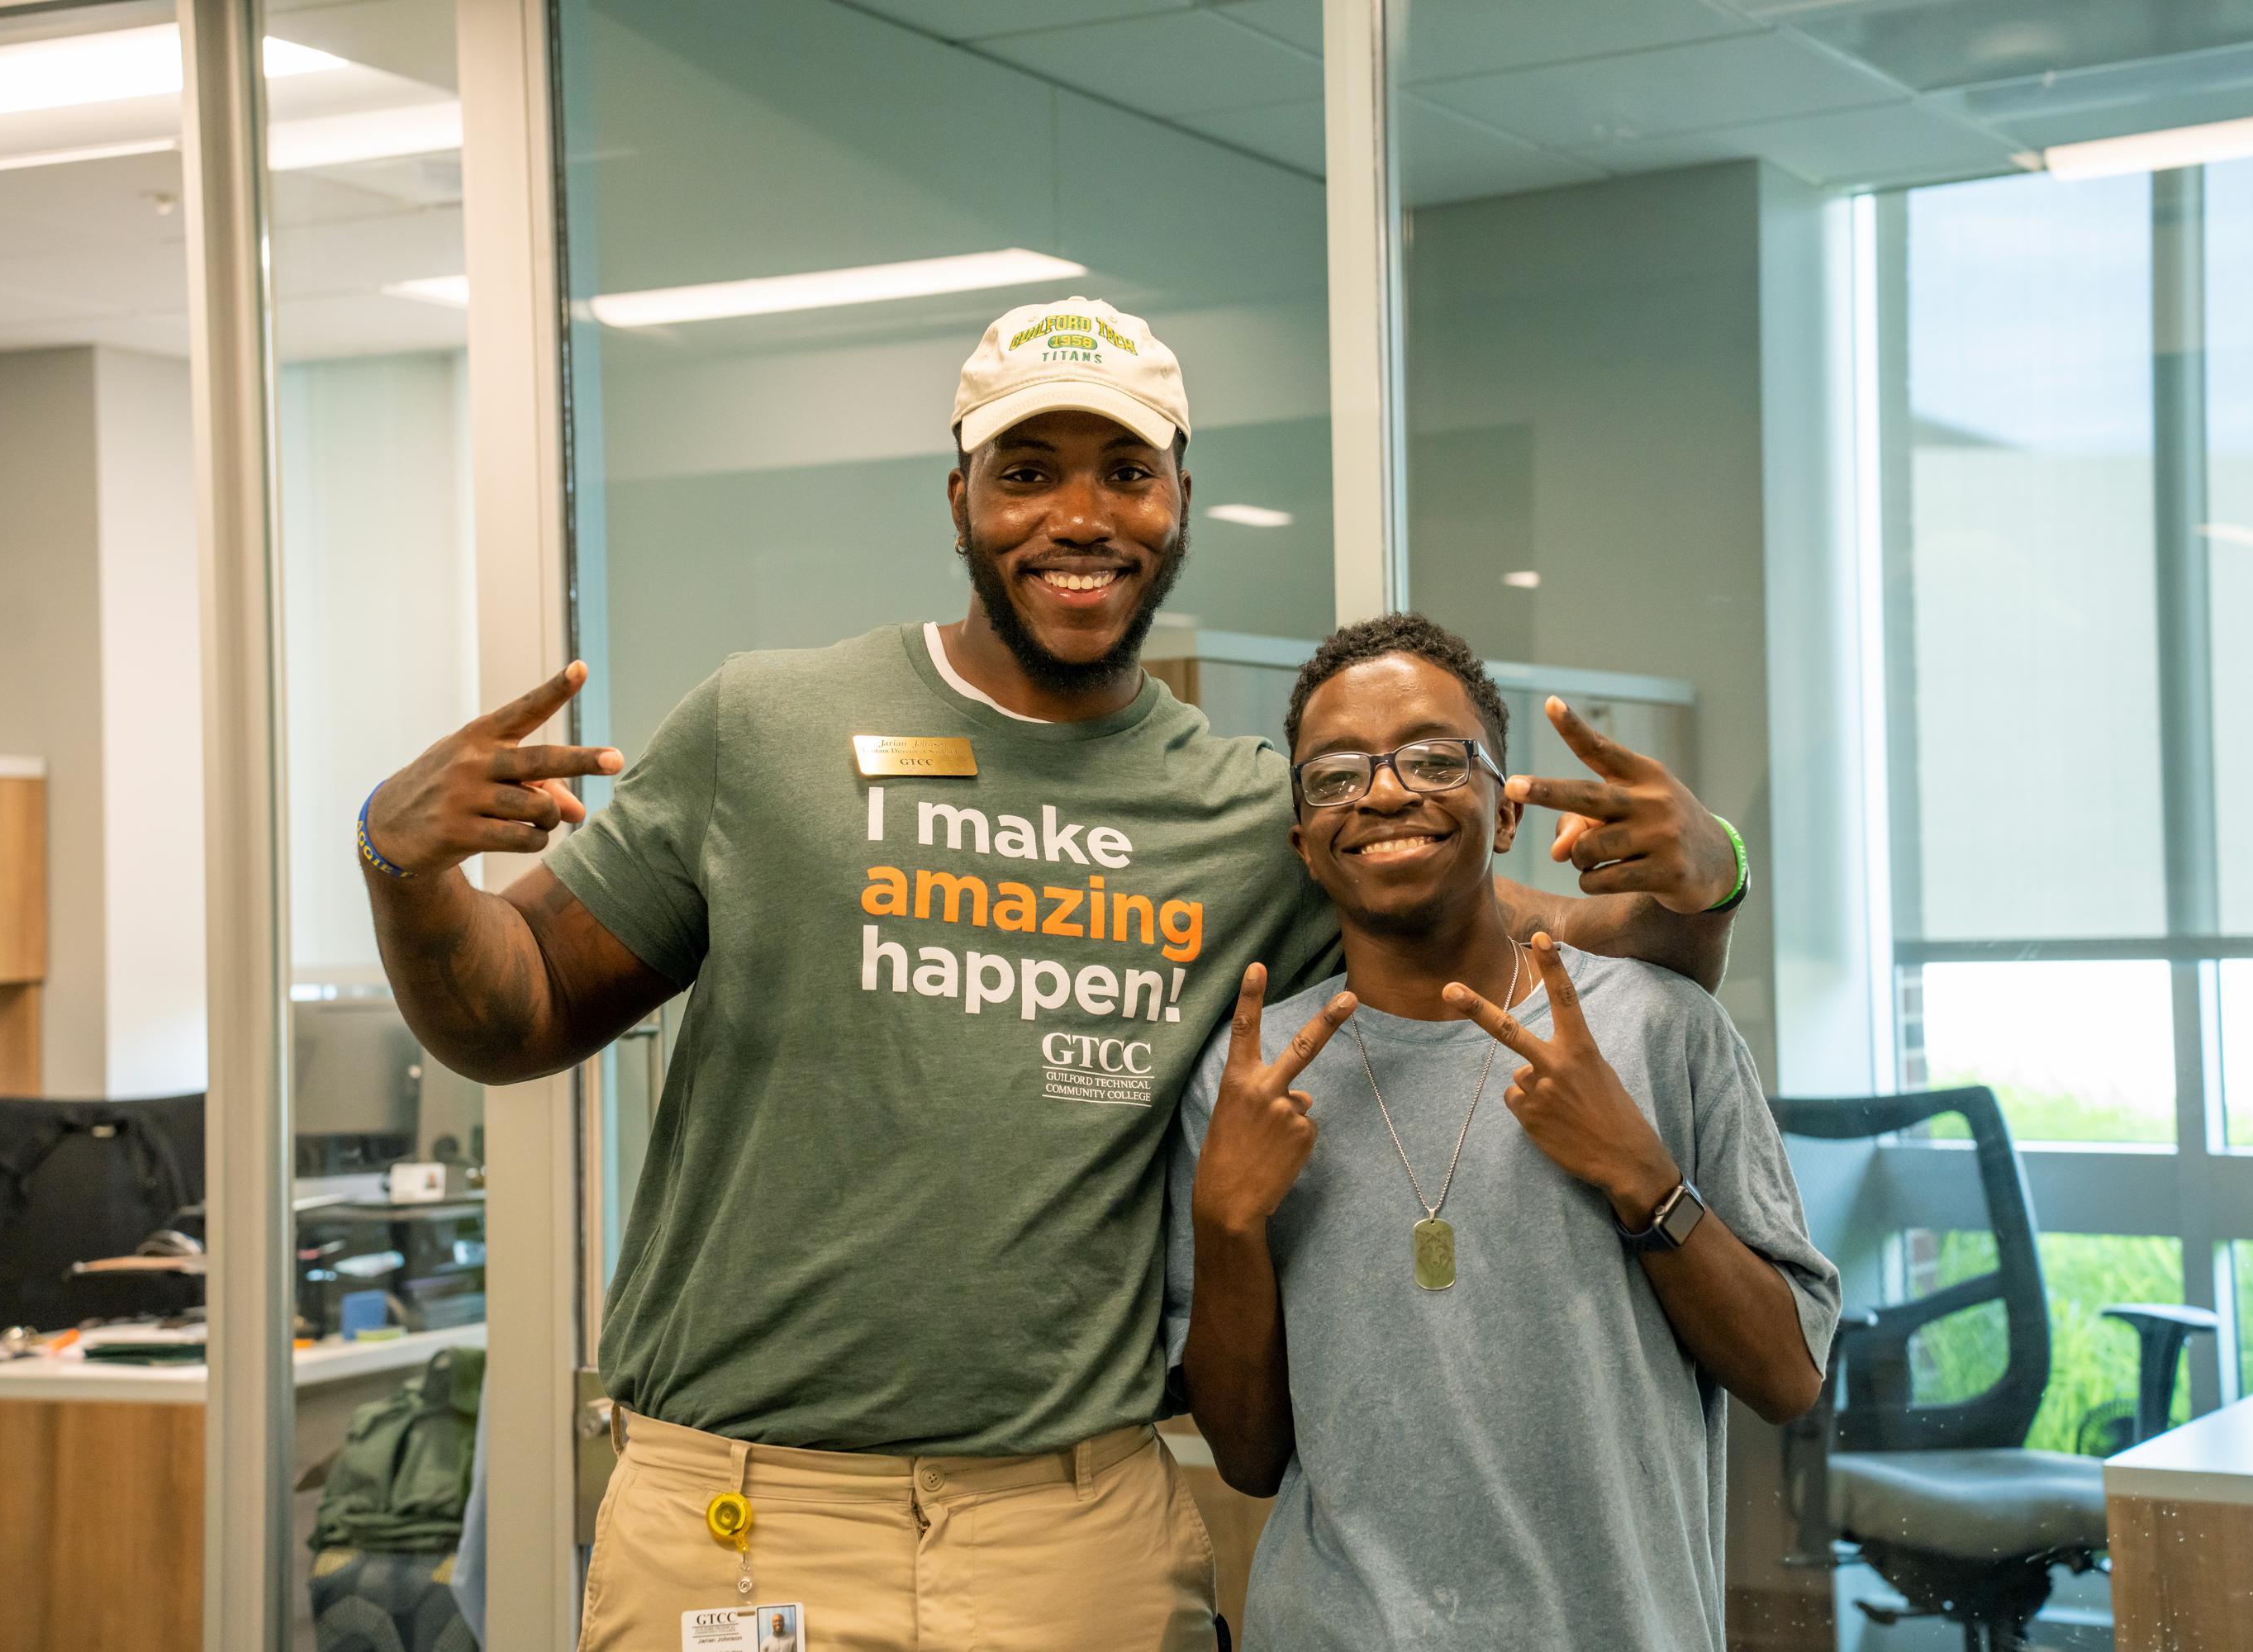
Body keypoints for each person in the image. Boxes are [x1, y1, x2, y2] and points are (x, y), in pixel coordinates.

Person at [359, 299, 1748, 1651]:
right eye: (1027, 474)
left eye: (1126, 475)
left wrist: (1715, 871)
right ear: (959, 496)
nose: (1080, 518)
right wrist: (405, 872)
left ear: (1180, 499)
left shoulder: (1253, 819)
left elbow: (1547, 949)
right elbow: (520, 1007)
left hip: (1070, 1533)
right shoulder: (768, 727)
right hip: (746, 1516)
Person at [1169, 613, 1838, 1650]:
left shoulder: (1658, 1025)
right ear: (1302, 841)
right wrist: (1226, 1220)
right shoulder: (1250, 1076)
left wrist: (1647, 1183)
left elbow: (1788, 1375)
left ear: (1506, 808)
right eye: (1336, 774)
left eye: (1436, 758)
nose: (1386, 791)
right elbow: (1251, 1457)